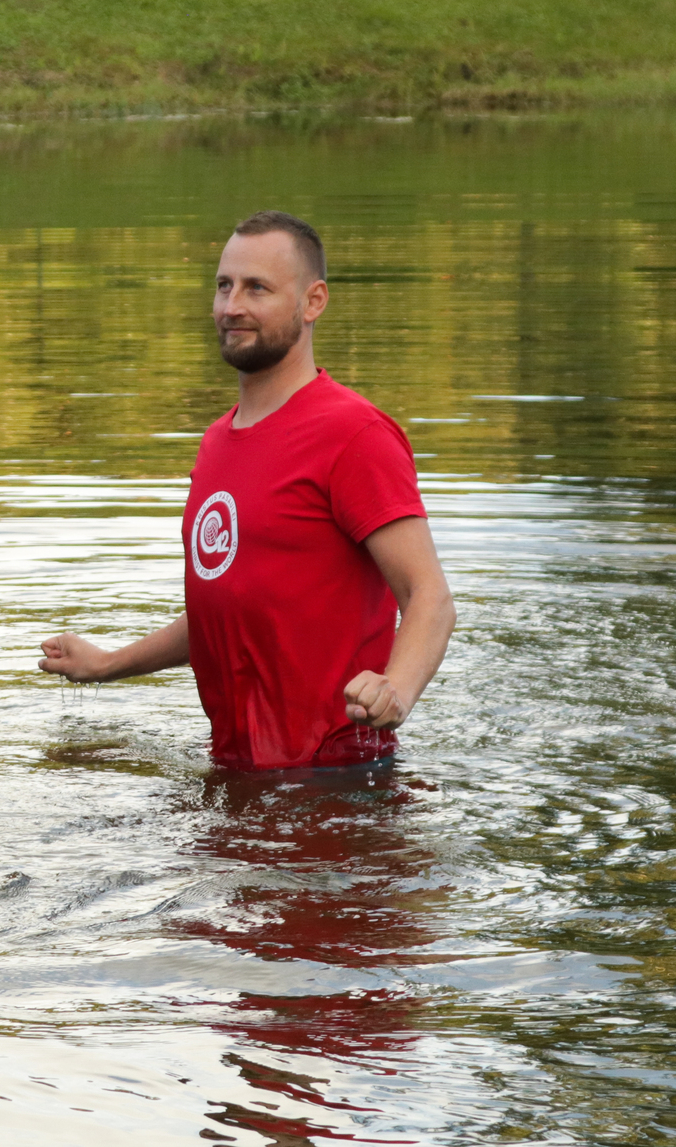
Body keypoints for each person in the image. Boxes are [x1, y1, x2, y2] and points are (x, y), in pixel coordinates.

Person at [40, 211, 456, 770]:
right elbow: (230, 611)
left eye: (257, 288)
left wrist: (395, 689)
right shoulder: (217, 442)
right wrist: (107, 664)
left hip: (336, 780)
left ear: (313, 302)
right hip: (234, 772)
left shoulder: (354, 434)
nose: (231, 306)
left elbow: (430, 596)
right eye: (224, 286)